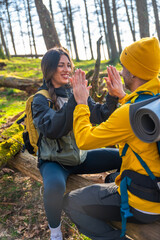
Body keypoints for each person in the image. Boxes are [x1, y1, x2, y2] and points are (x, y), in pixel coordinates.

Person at [63, 37, 160, 240]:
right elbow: (139, 120)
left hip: (144, 204)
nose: (122, 71)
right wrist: (124, 96)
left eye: (124, 67)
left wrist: (81, 103)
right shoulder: (155, 98)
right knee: (110, 178)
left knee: (71, 202)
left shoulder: (127, 114)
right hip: (156, 188)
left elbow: (84, 140)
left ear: (133, 71)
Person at [32, 47, 124, 240]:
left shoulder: (74, 91)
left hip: (80, 156)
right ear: (49, 69)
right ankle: (55, 232)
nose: (66, 69)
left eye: (68, 65)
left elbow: (100, 114)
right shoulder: (40, 100)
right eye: (60, 66)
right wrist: (76, 99)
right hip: (54, 162)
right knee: (55, 187)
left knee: (121, 156)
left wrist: (113, 95)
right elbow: (52, 128)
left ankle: (113, 183)